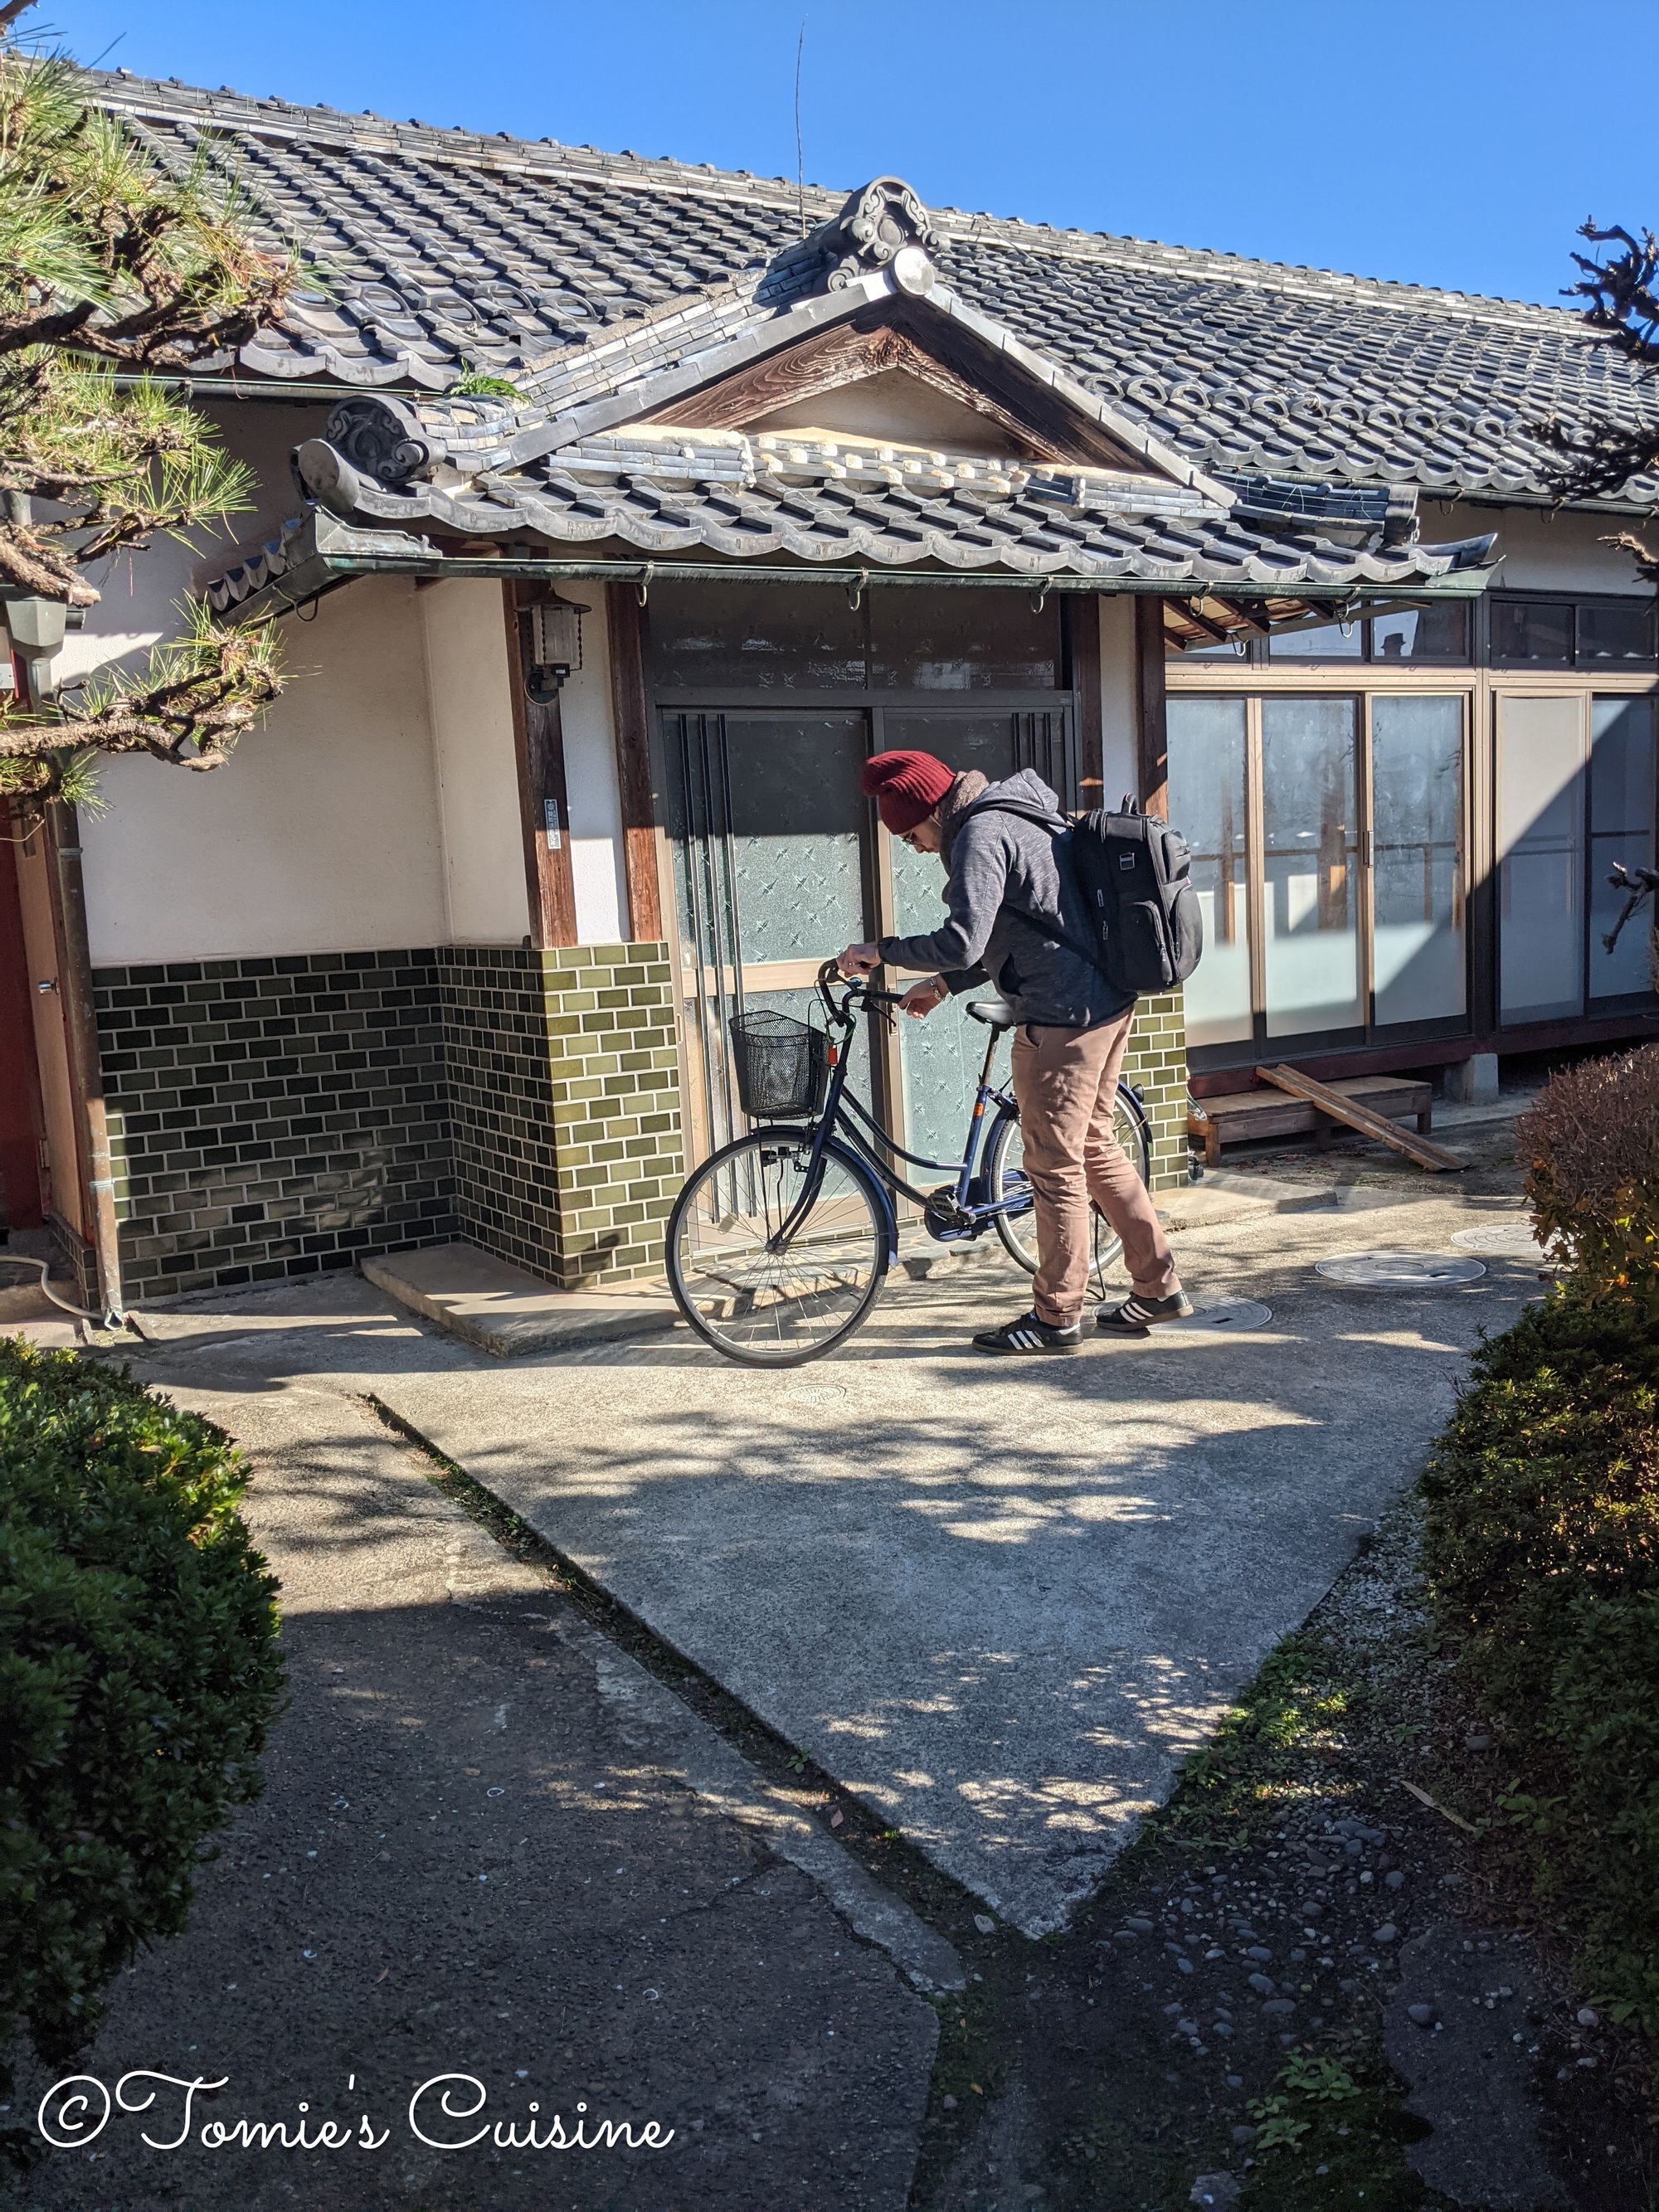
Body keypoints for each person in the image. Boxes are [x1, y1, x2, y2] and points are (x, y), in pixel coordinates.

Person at [837, 748, 1190, 1355]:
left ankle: (1056, 1316)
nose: (916, 847)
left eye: (912, 833)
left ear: (929, 810)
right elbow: (1028, 923)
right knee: (1095, 1146)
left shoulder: (979, 832)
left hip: (1060, 1018)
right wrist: (945, 983)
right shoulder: (1018, 810)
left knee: (1053, 1167)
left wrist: (884, 951)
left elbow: (963, 937)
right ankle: (1157, 1285)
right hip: (1105, 1001)